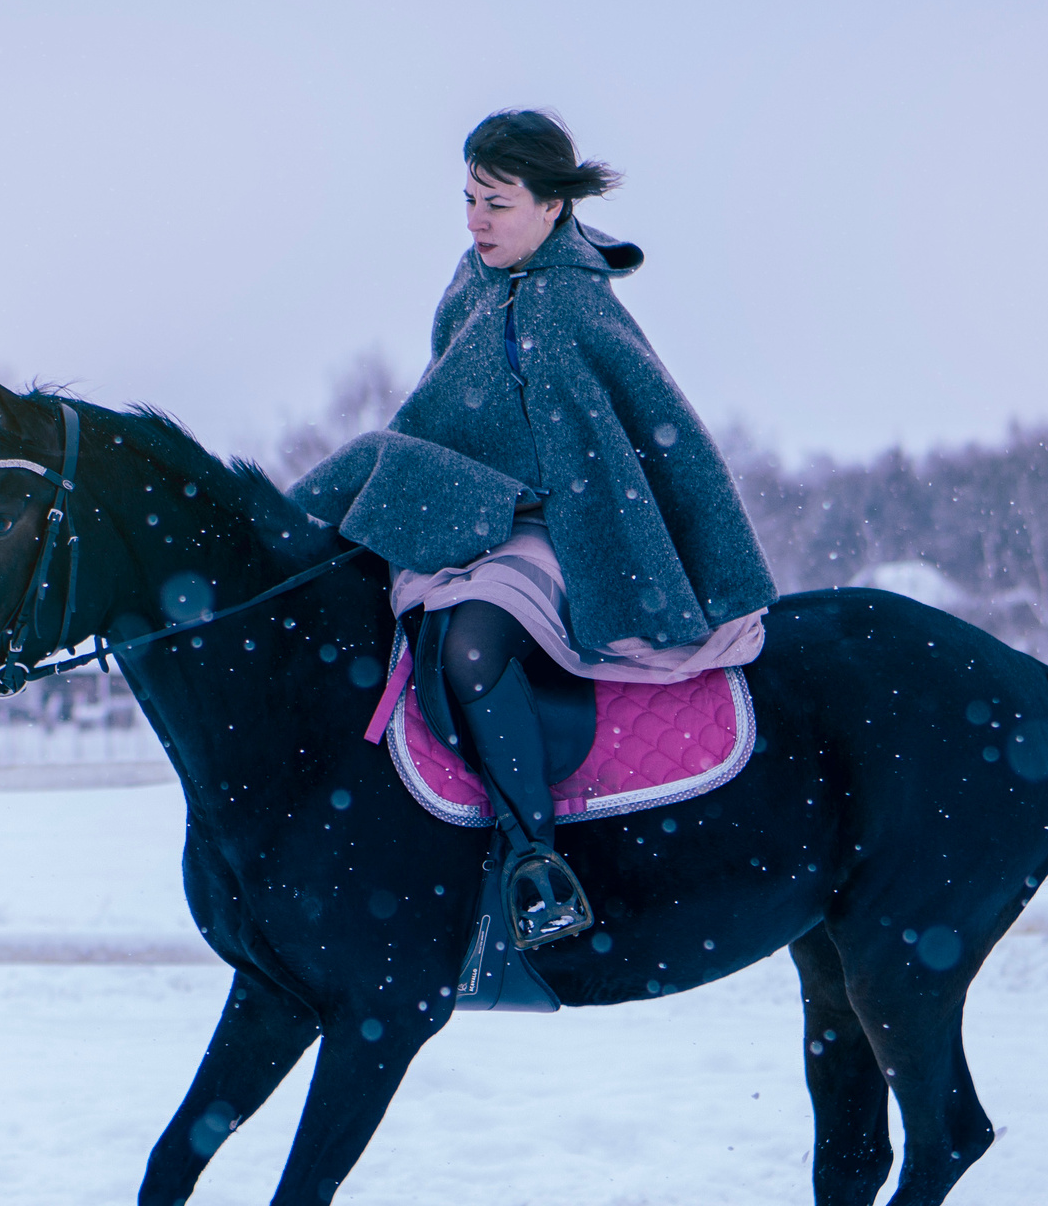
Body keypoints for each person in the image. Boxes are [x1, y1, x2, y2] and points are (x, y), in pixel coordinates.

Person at [295, 110, 776, 951]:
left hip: (568, 532)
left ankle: (535, 863)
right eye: (469, 200)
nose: (476, 221)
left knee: (471, 647)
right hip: (470, 516)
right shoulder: (473, 284)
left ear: (553, 206)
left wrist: (693, 552)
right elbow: (443, 411)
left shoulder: (573, 304)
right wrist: (423, 488)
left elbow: (658, 433)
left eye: (497, 203)